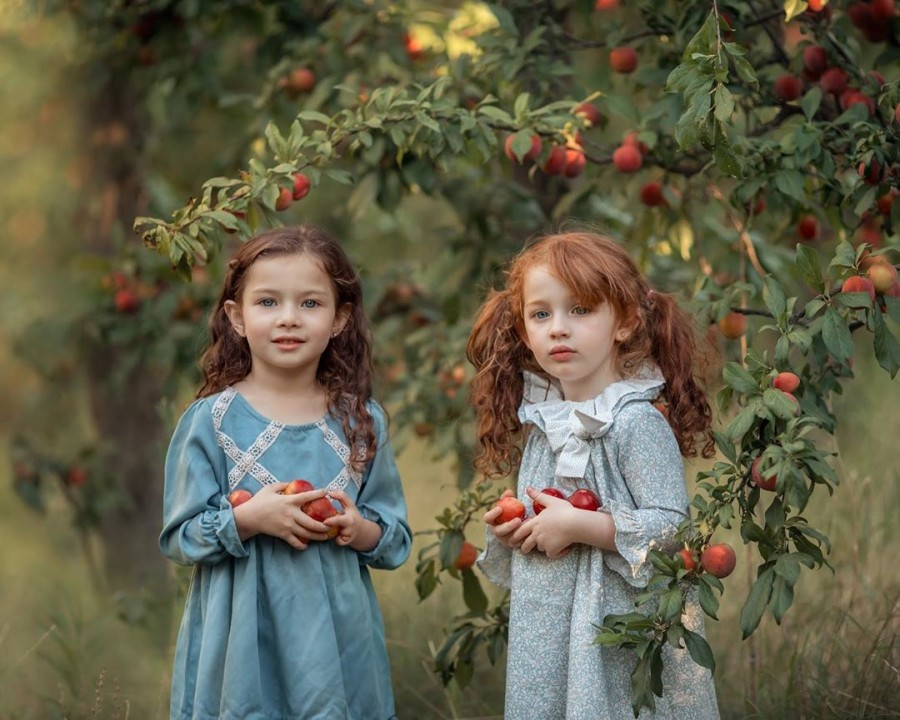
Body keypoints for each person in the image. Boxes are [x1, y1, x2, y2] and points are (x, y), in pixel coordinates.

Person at [160, 224, 412, 720]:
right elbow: (180, 537)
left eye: (311, 304)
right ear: (236, 316)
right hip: (239, 649)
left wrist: (357, 528)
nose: (289, 319)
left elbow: (395, 538)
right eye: (268, 302)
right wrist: (251, 518)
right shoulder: (211, 421)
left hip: (336, 647)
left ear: (340, 318)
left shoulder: (361, 421)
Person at [469, 231, 721, 719]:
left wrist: (583, 527)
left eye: (580, 310)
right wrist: (513, 524)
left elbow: (674, 528)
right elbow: (546, 515)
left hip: (618, 623)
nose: (558, 328)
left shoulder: (635, 421)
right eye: (541, 314)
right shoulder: (543, 423)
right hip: (550, 621)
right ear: (524, 331)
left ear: (624, 322)